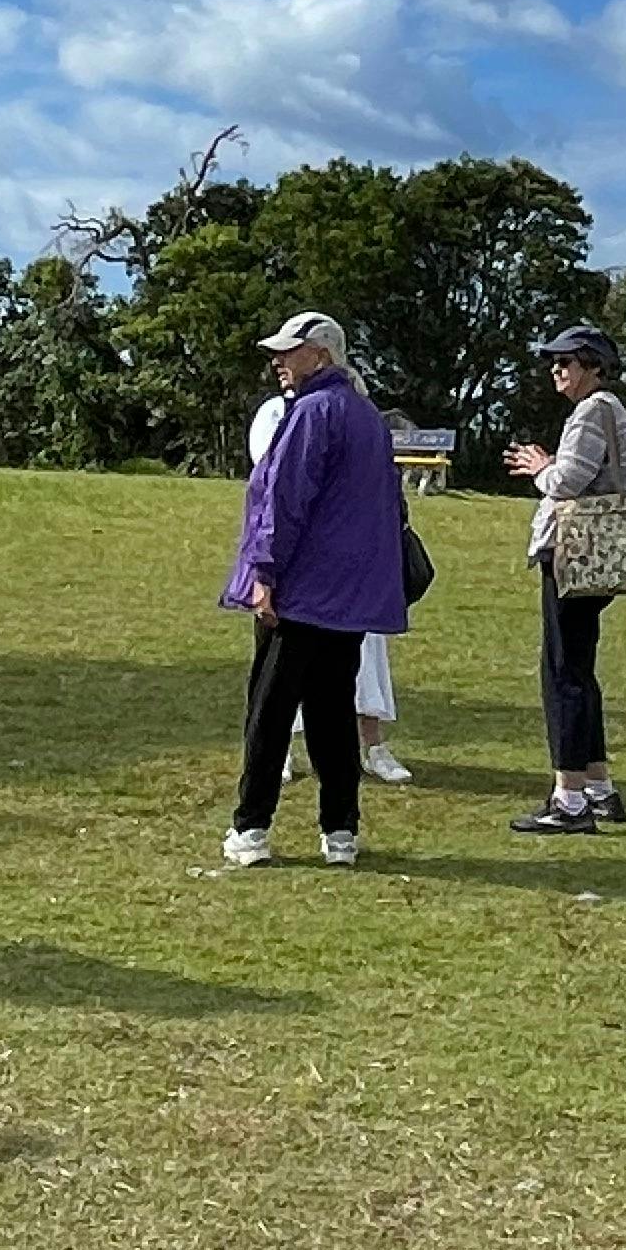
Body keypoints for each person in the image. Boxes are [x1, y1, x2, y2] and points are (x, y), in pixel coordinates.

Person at [217, 311, 407, 870]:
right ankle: (340, 831)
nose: (278, 360)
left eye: (288, 350)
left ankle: (251, 828)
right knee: (332, 714)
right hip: (348, 600)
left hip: (299, 593)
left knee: (270, 710)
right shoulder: (369, 418)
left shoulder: (312, 412)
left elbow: (283, 500)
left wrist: (263, 574)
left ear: (320, 355)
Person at [503, 324, 626, 835]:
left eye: (567, 362)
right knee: (581, 671)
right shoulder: (611, 408)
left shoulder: (591, 410)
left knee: (562, 674)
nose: (556, 370)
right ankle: (599, 787)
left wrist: (541, 466)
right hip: (601, 559)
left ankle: (568, 800)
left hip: (576, 556)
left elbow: (567, 481)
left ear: (593, 367)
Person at [254, 387, 410, 785]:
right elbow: (275, 483)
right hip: (302, 572)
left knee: (363, 663)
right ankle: (282, 752)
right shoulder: (279, 413)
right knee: (284, 674)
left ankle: (372, 747)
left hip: (354, 570)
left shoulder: (363, 418)